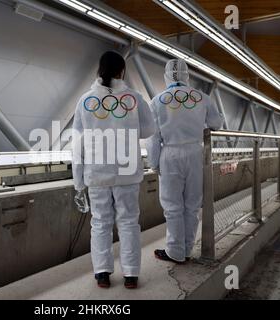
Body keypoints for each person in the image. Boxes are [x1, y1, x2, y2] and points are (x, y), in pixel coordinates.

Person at [72, 51, 156, 289]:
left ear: (99, 70)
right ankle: (130, 275)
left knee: (100, 223)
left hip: (96, 174)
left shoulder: (85, 101)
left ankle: (102, 273)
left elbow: (77, 144)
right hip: (126, 173)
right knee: (129, 222)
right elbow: (149, 130)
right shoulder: (134, 98)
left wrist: (78, 181)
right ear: (122, 71)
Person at [146, 58, 224, 264]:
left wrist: (154, 163)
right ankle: (188, 249)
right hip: (195, 153)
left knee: (172, 206)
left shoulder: (157, 101)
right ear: (187, 75)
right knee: (192, 204)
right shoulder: (203, 98)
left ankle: (175, 251)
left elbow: (153, 138)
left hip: (169, 154)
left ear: (166, 76)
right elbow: (217, 124)